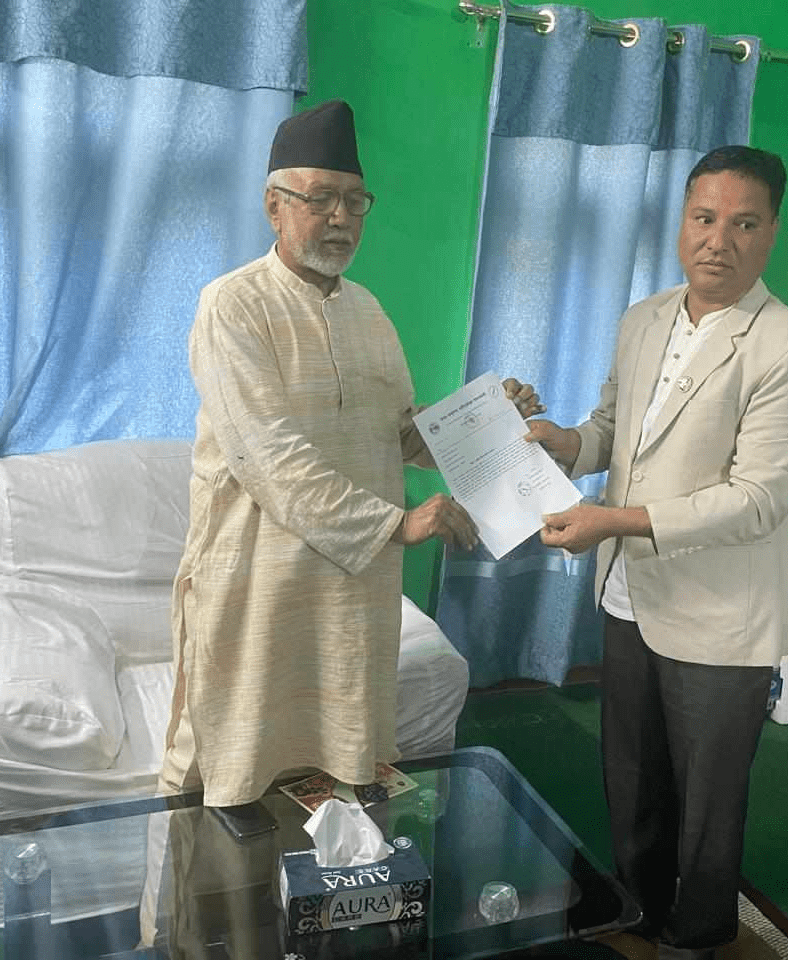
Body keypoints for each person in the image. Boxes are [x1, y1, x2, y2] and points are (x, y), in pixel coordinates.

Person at [158, 99, 540, 812]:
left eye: (354, 201)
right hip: (261, 580)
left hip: (353, 585)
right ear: (275, 206)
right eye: (320, 199)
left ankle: (336, 879)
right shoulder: (232, 305)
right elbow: (269, 457)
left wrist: (492, 419)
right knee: (243, 769)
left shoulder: (369, 312)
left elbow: (399, 434)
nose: (340, 218)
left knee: (344, 765)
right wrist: (399, 523)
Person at [526, 145, 788, 960]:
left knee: (707, 799)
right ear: (682, 221)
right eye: (704, 217)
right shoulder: (645, 319)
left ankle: (697, 938)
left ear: (771, 232)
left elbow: (758, 498)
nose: (717, 241)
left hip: (721, 613)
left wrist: (613, 521)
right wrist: (566, 444)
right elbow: (612, 429)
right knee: (631, 773)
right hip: (629, 592)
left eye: (743, 224)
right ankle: (637, 912)